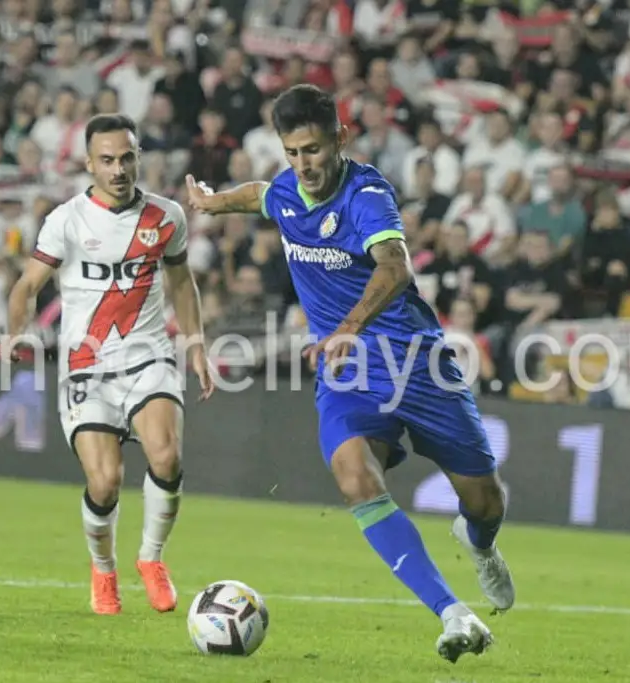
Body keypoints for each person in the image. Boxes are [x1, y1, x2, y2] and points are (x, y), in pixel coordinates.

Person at [184, 85, 514, 663]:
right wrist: (214, 203)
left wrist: (349, 325)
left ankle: (480, 544)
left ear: (340, 138)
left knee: (484, 501)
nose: (303, 164)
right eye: (292, 151)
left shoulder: (367, 195)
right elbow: (261, 195)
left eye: (313, 149)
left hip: (416, 362)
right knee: (354, 476)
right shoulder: (287, 190)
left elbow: (395, 266)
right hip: (350, 370)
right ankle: (451, 612)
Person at [6, 114, 214, 616]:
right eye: (107, 160)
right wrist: (17, 332)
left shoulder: (166, 217)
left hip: (148, 356)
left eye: (127, 158)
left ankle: (152, 559)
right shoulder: (66, 221)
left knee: (165, 456)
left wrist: (196, 344)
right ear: (88, 164)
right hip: (86, 365)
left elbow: (182, 283)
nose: (119, 169)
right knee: (105, 482)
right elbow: (27, 287)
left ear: (138, 157)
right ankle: (104, 570)